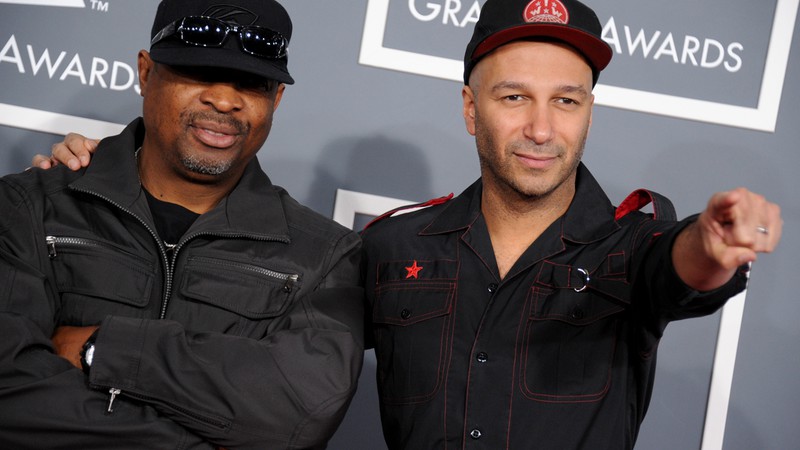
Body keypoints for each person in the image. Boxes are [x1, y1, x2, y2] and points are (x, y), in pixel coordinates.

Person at [37, 0, 784, 449]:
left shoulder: (636, 241)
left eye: (567, 100)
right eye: (513, 97)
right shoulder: (390, 245)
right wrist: (108, 172)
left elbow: (682, 269)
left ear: (589, 112)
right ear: (469, 108)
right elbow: (262, 349)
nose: (540, 128)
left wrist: (711, 246)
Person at [1, 0, 364, 449]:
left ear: (276, 99)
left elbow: (298, 418)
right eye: (200, 73)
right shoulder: (29, 205)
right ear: (146, 72)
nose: (225, 100)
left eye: (251, 84)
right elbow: (10, 389)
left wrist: (105, 348)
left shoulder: (323, 256)